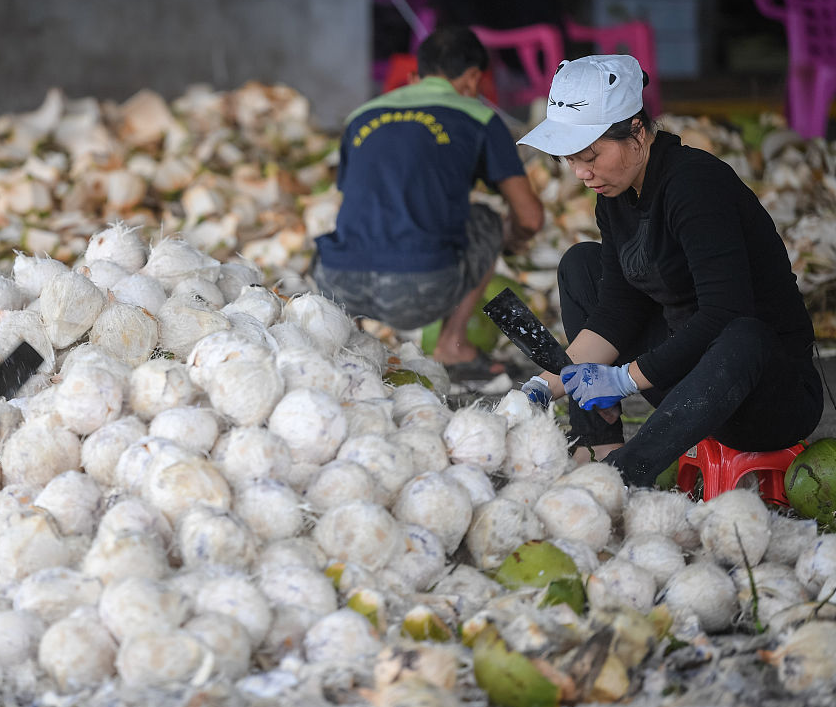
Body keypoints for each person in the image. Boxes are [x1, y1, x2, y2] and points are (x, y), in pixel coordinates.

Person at [517, 54, 821, 486]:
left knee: (743, 331)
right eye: (569, 160)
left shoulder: (695, 185)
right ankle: (600, 447)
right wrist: (538, 389)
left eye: (590, 156)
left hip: (763, 394)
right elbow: (616, 313)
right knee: (581, 264)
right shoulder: (614, 194)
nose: (581, 173)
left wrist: (623, 379)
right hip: (687, 382)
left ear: (637, 134)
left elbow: (724, 314)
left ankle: (624, 476)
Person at [312, 25, 544, 379]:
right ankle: (452, 346)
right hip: (418, 292)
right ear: (472, 78)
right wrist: (509, 242)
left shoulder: (361, 116)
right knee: (486, 217)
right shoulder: (477, 116)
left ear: (415, 75)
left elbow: (359, 199)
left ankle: (349, 343)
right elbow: (530, 217)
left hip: (337, 283)